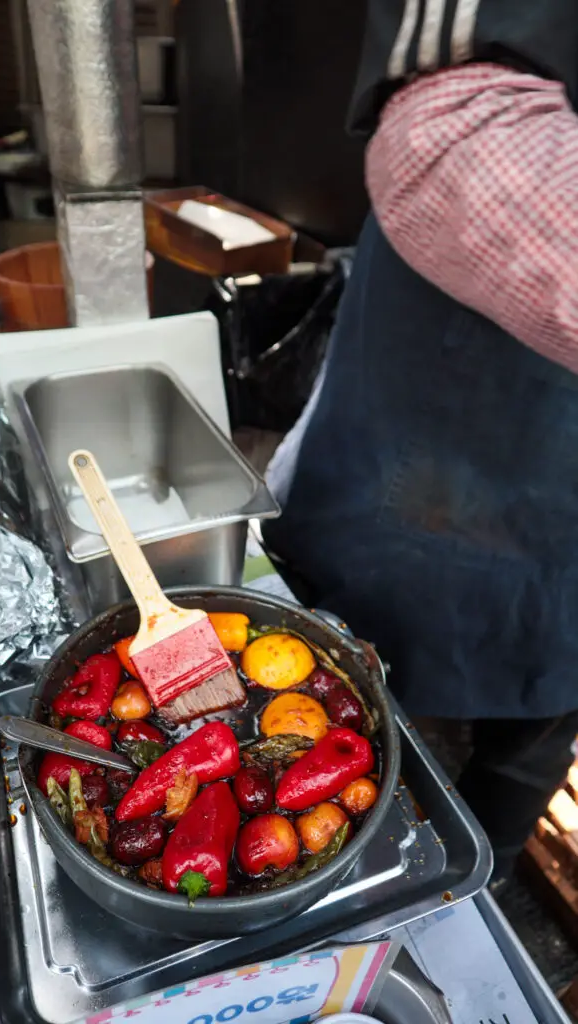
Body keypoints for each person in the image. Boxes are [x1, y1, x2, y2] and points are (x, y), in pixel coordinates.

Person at [262, 2, 578, 885]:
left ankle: (465, 901)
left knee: (511, 788)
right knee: (328, 740)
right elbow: (447, 132)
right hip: (440, 465)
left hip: (562, 549)